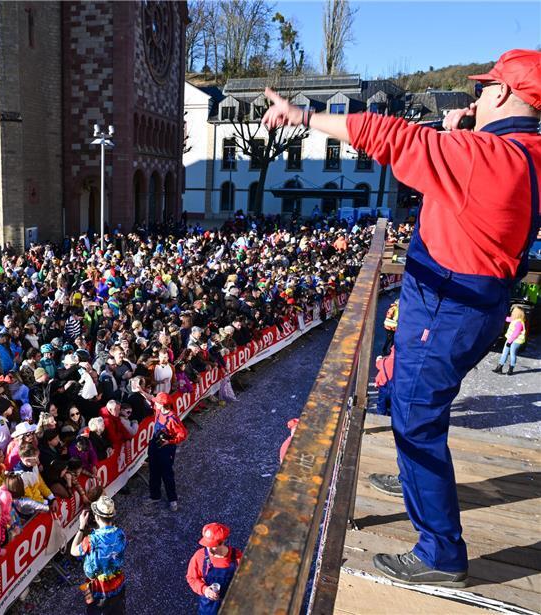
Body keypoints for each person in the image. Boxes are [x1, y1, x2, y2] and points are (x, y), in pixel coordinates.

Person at [261, 49, 540, 585]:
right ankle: (417, 483)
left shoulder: (481, 155)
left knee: (415, 421)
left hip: (446, 304)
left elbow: (394, 138)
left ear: (503, 94)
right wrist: (462, 135)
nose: (475, 97)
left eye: (483, 89)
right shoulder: (525, 150)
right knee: (418, 407)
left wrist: (301, 117)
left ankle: (440, 554)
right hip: (474, 304)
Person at [69, 496, 126, 614]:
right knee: (117, 610)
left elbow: (73, 551)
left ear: (96, 517)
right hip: (118, 581)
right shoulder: (121, 534)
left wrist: (81, 527)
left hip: (98, 587)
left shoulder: (91, 540)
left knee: (95, 610)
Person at [185, 523, 242, 614]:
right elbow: (191, 578)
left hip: (231, 603)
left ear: (223, 541)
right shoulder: (200, 556)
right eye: (207, 545)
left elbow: (247, 580)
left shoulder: (237, 557)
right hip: (208, 606)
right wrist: (205, 590)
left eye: (213, 546)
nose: (209, 550)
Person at [147, 392, 187, 512]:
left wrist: (170, 441)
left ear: (162, 404)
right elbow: (151, 398)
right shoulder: (159, 410)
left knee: (167, 474)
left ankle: (172, 499)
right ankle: (155, 496)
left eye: (157, 402)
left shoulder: (172, 418)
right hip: (155, 445)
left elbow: (183, 434)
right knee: (153, 471)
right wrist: (141, 391)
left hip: (166, 448)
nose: (155, 403)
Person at [493, 306, 527, 375]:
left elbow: (515, 334)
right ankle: (499, 367)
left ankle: (511, 369)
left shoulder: (519, 323)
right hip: (510, 340)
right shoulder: (514, 319)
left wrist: (509, 341)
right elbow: (507, 319)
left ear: (517, 313)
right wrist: (500, 316)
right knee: (504, 352)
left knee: (512, 354)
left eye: (514, 311)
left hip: (516, 341)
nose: (512, 312)